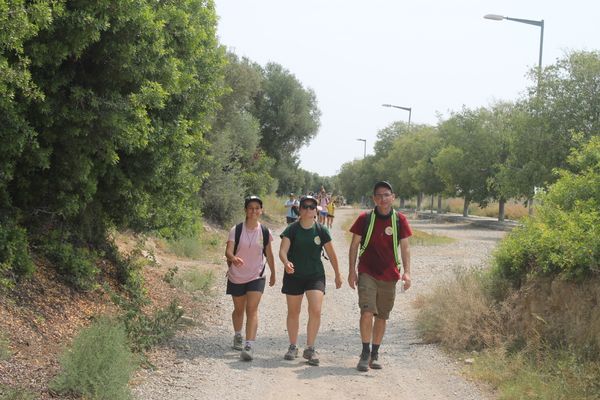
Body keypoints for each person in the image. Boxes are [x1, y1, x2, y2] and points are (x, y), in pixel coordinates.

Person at [347, 181, 412, 372]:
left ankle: (375, 354)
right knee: (367, 312)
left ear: (393, 197)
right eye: (379, 195)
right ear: (374, 198)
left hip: (390, 275)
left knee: (382, 316)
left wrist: (407, 272)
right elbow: (354, 246)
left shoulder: (400, 220)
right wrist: (352, 271)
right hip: (367, 272)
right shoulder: (364, 218)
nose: (382, 199)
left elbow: (406, 247)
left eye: (386, 195)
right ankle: (365, 352)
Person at [279, 195, 343, 366]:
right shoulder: (292, 229)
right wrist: (286, 262)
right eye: (305, 206)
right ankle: (293, 346)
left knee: (315, 309)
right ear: (299, 210)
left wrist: (338, 274)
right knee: (294, 312)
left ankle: (310, 348)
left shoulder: (321, 230)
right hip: (294, 276)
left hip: (315, 275)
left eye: (312, 207)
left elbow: (331, 253)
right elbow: (282, 250)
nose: (308, 209)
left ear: (316, 210)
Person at [225, 196, 276, 362]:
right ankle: (238, 335)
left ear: (261, 210)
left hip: (257, 275)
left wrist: (274, 273)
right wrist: (233, 259)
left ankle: (249, 345)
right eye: (250, 208)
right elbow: (228, 251)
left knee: (252, 309)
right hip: (237, 275)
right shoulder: (236, 230)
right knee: (239, 309)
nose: (254, 211)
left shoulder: (265, 232)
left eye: (257, 208)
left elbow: (269, 254)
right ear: (246, 210)